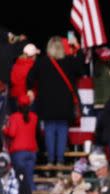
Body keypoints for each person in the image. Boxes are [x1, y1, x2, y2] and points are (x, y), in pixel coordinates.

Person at [27, 36, 82, 165]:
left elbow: (30, 78)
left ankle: (51, 161)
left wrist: (30, 90)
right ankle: (60, 161)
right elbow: (80, 68)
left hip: (47, 105)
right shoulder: (68, 61)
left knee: (50, 132)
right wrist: (77, 47)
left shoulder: (41, 62)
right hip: (64, 105)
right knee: (62, 131)